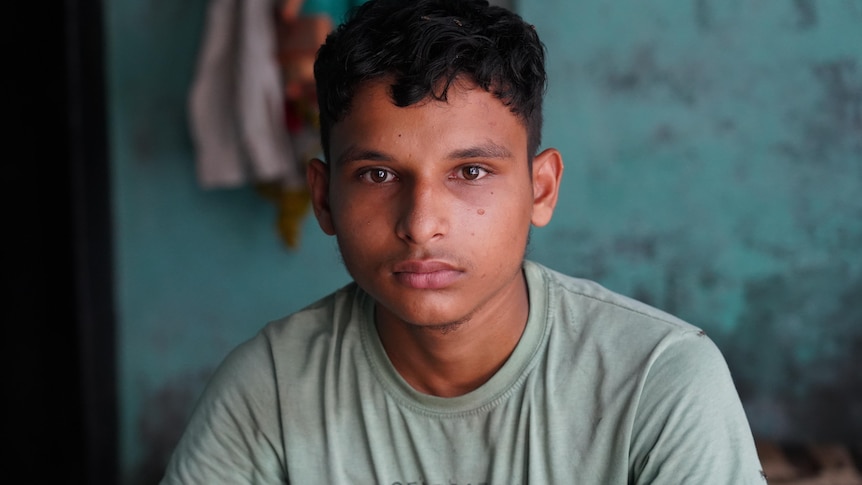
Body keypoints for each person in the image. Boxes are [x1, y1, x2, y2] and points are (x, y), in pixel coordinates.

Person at [161, 0, 766, 483]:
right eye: (378, 174)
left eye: (470, 172)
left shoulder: (659, 381)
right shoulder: (267, 388)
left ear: (542, 188)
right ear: (323, 198)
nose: (421, 224)